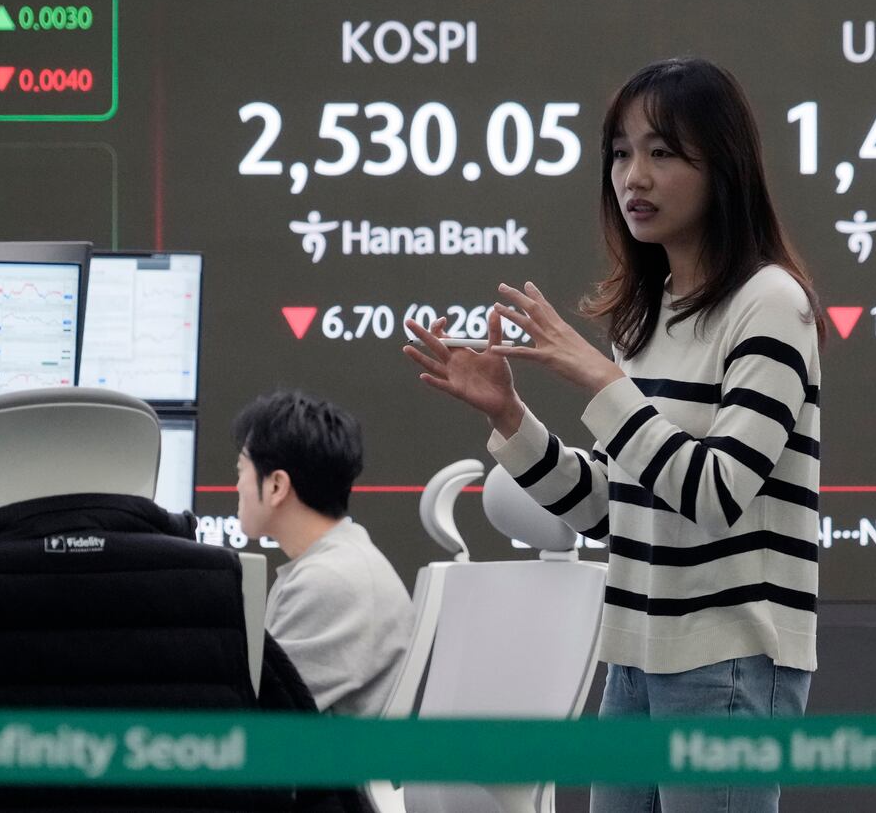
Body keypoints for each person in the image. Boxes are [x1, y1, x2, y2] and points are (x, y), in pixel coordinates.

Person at [405, 57, 823, 813]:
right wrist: (510, 416)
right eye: (621, 153)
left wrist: (602, 382)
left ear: (723, 166)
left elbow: (714, 494)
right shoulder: (651, 307)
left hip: (727, 663)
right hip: (631, 658)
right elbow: (612, 508)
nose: (634, 176)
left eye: (663, 152)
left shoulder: (769, 302)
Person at [233, 390, 413, 717]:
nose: (237, 486)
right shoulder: (334, 565)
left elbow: (260, 717)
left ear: (276, 486)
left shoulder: (329, 581)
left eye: (241, 470)